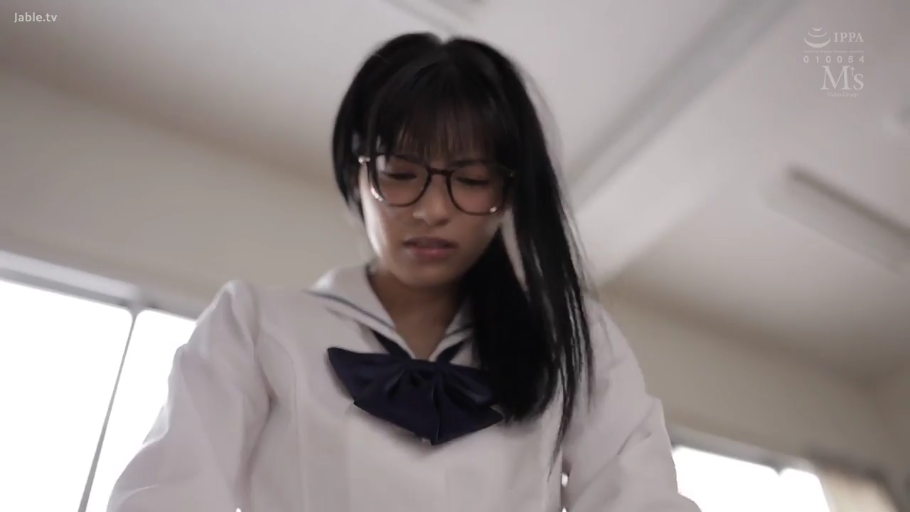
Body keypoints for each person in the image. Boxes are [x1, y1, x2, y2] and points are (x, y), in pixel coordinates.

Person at [108, 33, 699, 512]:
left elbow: (641, 500)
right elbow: (166, 496)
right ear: (357, 175)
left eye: (471, 179)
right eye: (400, 172)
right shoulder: (255, 324)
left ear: (509, 192)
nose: (433, 209)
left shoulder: (575, 340)